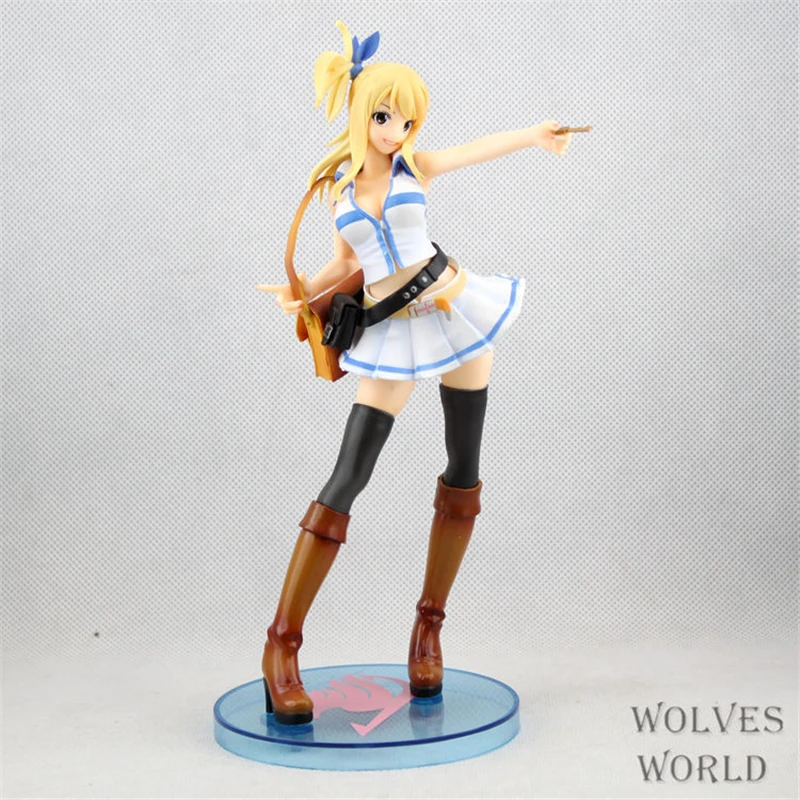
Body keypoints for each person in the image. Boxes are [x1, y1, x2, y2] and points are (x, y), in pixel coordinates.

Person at [259, 21, 572, 725]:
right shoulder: (339, 189)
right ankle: (282, 644)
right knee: (349, 474)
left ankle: (429, 627)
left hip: (453, 308)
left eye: (406, 120)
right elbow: (346, 263)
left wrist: (533, 134)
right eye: (383, 117)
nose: (395, 131)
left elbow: (475, 150)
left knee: (463, 469)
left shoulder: (414, 167)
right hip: (391, 332)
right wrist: (302, 291)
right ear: (359, 114)